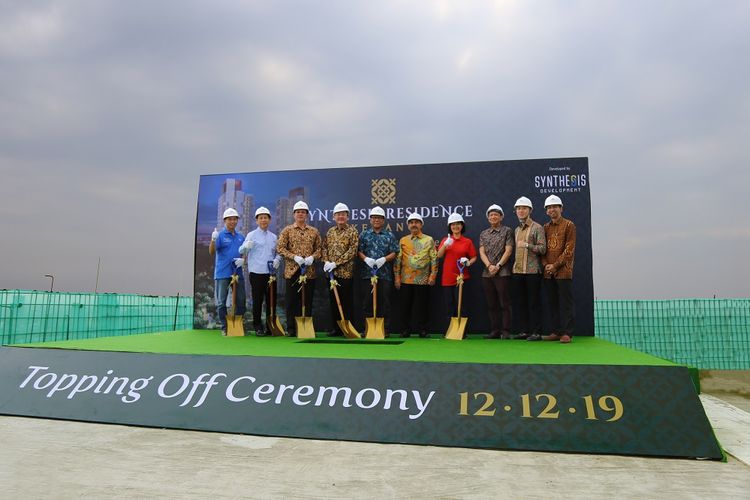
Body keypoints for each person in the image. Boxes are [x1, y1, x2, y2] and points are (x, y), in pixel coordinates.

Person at [276, 201, 322, 337]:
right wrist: (294, 256)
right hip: (292, 271)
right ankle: (291, 328)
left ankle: (305, 328)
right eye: (298, 212)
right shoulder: (287, 230)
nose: (300, 214)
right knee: (291, 301)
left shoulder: (314, 231)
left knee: (307, 301)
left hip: (309, 272)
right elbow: (280, 248)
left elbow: (319, 249)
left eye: (303, 212)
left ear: (307, 214)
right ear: (294, 214)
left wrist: (312, 258)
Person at [239, 206, 282, 337]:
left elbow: (279, 253)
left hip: (271, 274)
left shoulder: (274, 236)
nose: (263, 220)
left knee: (271, 301)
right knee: (257, 301)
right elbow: (241, 251)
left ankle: (270, 327)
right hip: (256, 273)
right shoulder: (251, 235)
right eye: (261, 218)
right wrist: (246, 247)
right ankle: (257, 326)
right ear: (256, 220)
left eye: (266, 218)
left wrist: (278, 260)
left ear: (269, 220)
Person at [394, 213, 438, 338]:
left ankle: (423, 330)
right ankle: (405, 330)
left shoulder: (429, 240)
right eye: (411, 222)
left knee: (422, 306)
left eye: (416, 222)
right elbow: (398, 260)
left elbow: (434, 259)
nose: (414, 224)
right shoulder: (403, 240)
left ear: (421, 224)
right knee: (404, 307)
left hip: (423, 279)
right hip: (405, 279)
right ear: (408, 225)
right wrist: (397, 278)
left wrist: (432, 276)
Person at [357, 206, 399, 336]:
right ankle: (368, 329)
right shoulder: (364, 234)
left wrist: (384, 259)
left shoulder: (389, 235)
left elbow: (395, 252)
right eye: (374, 217)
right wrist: (366, 259)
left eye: (379, 218)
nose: (376, 220)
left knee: (385, 302)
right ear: (370, 220)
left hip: (384, 274)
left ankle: (384, 330)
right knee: (367, 303)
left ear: (383, 220)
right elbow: (359, 251)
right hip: (367, 274)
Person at [541, 195, 577, 344]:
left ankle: (567, 333)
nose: (552, 209)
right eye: (549, 207)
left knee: (566, 303)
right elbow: (542, 250)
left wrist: (555, 265)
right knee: (552, 302)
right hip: (548, 272)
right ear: (546, 211)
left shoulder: (569, 225)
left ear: (561, 208)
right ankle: (556, 331)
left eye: (555, 206)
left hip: (564, 270)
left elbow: (569, 250)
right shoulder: (544, 227)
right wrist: (546, 265)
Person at [511, 196, 547, 341]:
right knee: (521, 302)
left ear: (530, 210)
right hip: (518, 271)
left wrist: (527, 245)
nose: (521, 211)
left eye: (524, 208)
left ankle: (536, 332)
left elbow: (543, 249)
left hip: (532, 271)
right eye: (518, 209)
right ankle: (524, 331)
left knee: (533, 302)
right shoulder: (516, 230)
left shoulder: (537, 227)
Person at [436, 213, 477, 336]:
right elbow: (439, 255)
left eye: (458, 224)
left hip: (462, 278)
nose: (455, 226)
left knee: (461, 305)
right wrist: (445, 245)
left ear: (462, 225)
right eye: (453, 224)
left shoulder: (467, 241)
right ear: (450, 226)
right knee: (449, 305)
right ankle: (450, 331)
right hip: (447, 278)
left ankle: (462, 332)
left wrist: (468, 262)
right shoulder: (445, 240)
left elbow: (474, 257)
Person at [322, 202, 359, 337]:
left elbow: (353, 250)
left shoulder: (352, 231)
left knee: (346, 301)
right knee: (333, 302)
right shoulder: (330, 231)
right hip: (331, 274)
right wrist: (326, 261)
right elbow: (324, 247)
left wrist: (336, 263)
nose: (340, 217)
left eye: (343, 214)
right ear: (334, 217)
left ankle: (348, 328)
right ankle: (336, 328)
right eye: (338, 215)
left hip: (345, 273)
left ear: (347, 216)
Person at [209, 208, 246, 336]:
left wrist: (243, 260)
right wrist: (213, 240)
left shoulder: (241, 237)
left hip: (238, 273)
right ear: (225, 221)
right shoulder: (220, 235)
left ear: (237, 221)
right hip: (223, 273)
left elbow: (244, 252)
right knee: (221, 302)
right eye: (229, 219)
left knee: (241, 300)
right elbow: (212, 252)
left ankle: (237, 324)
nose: (232, 221)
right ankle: (225, 327)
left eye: (234, 219)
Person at [479, 204, 514, 339]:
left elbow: (509, 250)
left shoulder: (507, 231)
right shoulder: (484, 233)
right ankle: (495, 330)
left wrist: (498, 266)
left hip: (503, 272)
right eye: (491, 215)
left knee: (504, 303)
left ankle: (506, 331)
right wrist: (489, 266)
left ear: (501, 217)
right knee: (491, 303)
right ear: (488, 218)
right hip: (487, 273)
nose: (493, 217)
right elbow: (481, 252)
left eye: (496, 214)